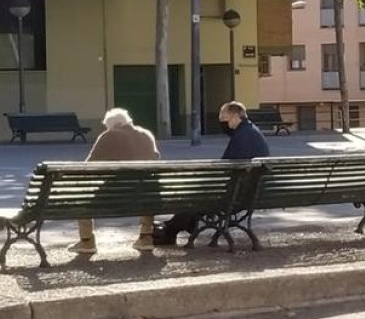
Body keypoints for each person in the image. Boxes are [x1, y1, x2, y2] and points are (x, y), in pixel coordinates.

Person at [152, 101, 270, 245]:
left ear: (235, 116)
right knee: (198, 196)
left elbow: (224, 168)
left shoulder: (242, 136)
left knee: (195, 196)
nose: (222, 123)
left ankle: (170, 230)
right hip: (250, 194)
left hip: (235, 197)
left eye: (223, 118)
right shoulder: (253, 132)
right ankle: (175, 228)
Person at [68, 108, 160, 255]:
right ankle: (146, 237)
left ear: (115, 125)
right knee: (146, 188)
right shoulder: (146, 135)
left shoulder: (109, 136)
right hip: (149, 195)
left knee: (82, 200)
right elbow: (155, 159)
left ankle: (86, 241)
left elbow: (88, 166)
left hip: (116, 197)